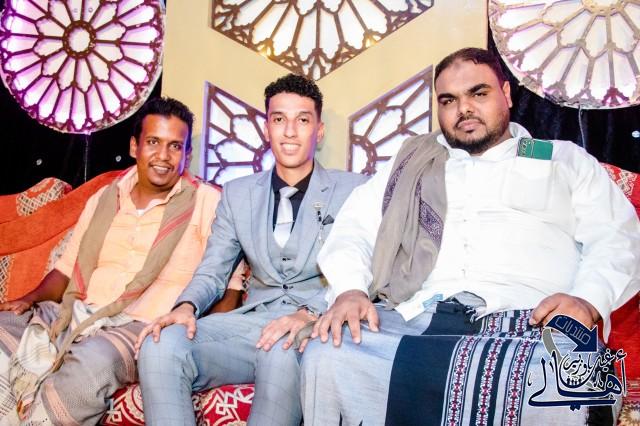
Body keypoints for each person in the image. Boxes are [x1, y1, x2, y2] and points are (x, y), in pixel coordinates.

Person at [300, 48, 640, 425]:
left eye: (478, 93)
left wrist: (586, 301)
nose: (464, 108)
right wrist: (350, 290)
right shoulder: (414, 163)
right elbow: (354, 227)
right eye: (449, 100)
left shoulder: (563, 159)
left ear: (506, 95)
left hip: (532, 323)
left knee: (578, 383)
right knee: (328, 353)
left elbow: (617, 237)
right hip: (420, 319)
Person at [135, 73, 367, 426]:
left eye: (303, 120)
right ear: (266, 128)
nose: (290, 132)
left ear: (318, 131)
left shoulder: (353, 190)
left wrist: (310, 313)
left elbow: (369, 269)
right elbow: (214, 268)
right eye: (279, 119)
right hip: (250, 326)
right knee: (161, 344)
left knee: (281, 350)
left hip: (315, 323)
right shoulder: (237, 193)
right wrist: (186, 306)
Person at [0, 97, 239, 425]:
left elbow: (229, 286)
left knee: (92, 367)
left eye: (175, 146)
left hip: (144, 327)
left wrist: (200, 339)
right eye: (153, 142)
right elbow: (66, 269)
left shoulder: (207, 203)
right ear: (134, 146)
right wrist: (28, 299)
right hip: (78, 312)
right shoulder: (104, 198)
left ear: (187, 154)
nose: (163, 156)